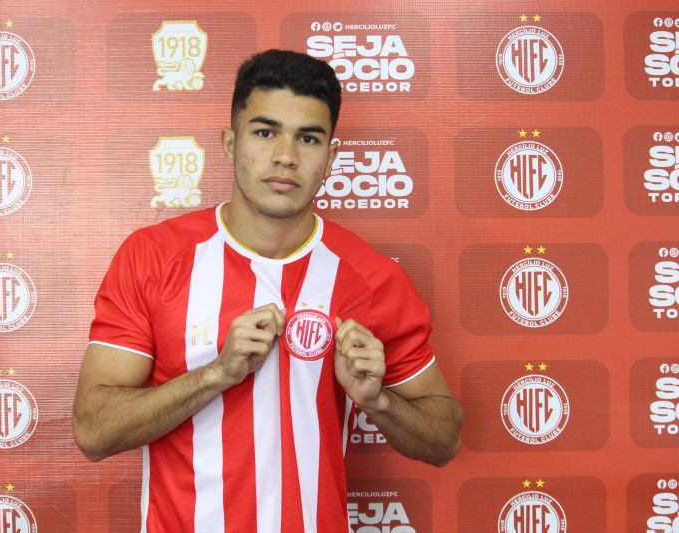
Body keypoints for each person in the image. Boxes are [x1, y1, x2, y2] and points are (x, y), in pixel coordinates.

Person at [72, 49, 462, 533]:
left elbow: (444, 439)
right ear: (230, 143)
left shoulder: (371, 277)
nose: (286, 156)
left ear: (331, 157)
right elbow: (93, 430)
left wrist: (378, 401)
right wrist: (216, 374)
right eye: (265, 132)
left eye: (308, 138)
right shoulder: (153, 257)